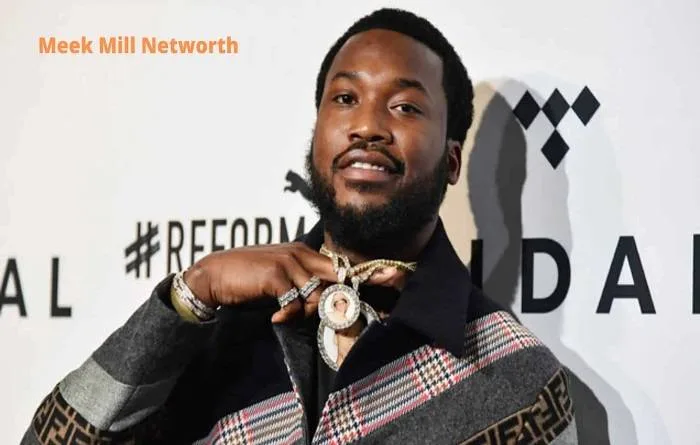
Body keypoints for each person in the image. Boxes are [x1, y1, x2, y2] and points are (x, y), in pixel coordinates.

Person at [22, 8, 578, 445]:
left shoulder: (519, 383)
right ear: (315, 136)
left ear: (452, 160)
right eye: (345, 98)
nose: (367, 126)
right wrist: (191, 294)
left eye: (405, 107)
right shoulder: (217, 326)